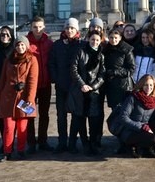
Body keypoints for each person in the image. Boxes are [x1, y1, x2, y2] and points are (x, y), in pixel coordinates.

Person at [0, 35, 39, 161]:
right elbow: (2, 80)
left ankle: (21, 150)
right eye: (18, 45)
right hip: (8, 98)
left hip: (24, 99)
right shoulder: (8, 60)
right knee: (8, 127)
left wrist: (30, 100)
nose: (20, 47)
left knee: (22, 127)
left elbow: (33, 81)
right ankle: (7, 151)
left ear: (26, 46)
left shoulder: (32, 60)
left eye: (22, 45)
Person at [67, 30, 105, 155]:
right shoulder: (81, 51)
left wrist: (93, 87)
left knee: (94, 121)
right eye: (93, 39)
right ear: (88, 39)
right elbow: (73, 69)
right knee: (79, 119)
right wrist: (82, 85)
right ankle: (83, 144)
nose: (94, 42)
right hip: (79, 91)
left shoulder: (101, 55)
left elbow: (102, 75)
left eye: (97, 40)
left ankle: (93, 144)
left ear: (100, 41)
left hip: (93, 92)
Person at [48, 17, 83, 153]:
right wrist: (56, 79)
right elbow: (52, 63)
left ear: (77, 30)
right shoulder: (57, 45)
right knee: (61, 116)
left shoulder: (81, 44)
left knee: (75, 116)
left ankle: (72, 143)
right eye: (67, 28)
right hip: (61, 86)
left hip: (75, 87)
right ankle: (62, 142)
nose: (69, 30)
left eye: (72, 28)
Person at [109, 74, 155, 158]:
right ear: (141, 85)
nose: (149, 87)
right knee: (154, 138)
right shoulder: (133, 98)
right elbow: (123, 117)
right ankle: (130, 146)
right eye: (146, 85)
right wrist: (142, 127)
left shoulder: (154, 100)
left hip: (144, 128)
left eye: (151, 85)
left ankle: (148, 149)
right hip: (128, 130)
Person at [26, 16, 54, 153]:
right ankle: (30, 142)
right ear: (31, 28)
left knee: (44, 114)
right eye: (35, 27)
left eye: (40, 27)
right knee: (29, 114)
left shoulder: (49, 43)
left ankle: (43, 141)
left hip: (45, 84)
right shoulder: (25, 43)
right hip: (29, 87)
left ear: (44, 27)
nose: (38, 29)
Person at [102, 28, 136, 109]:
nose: (113, 40)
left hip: (124, 86)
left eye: (115, 38)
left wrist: (115, 72)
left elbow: (132, 68)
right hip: (111, 85)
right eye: (111, 37)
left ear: (120, 38)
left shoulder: (127, 49)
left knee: (124, 111)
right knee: (114, 111)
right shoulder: (106, 50)